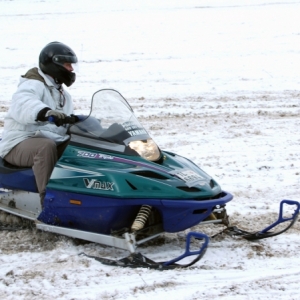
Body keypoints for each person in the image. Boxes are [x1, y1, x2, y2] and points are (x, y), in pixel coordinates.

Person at [0, 41, 78, 206]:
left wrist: (78, 123)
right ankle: (48, 203)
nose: (71, 69)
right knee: (45, 147)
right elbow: (23, 104)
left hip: (47, 137)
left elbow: (63, 120)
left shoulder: (62, 93)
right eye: (67, 65)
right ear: (54, 65)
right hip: (17, 142)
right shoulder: (32, 84)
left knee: (79, 145)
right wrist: (44, 112)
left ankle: (78, 196)